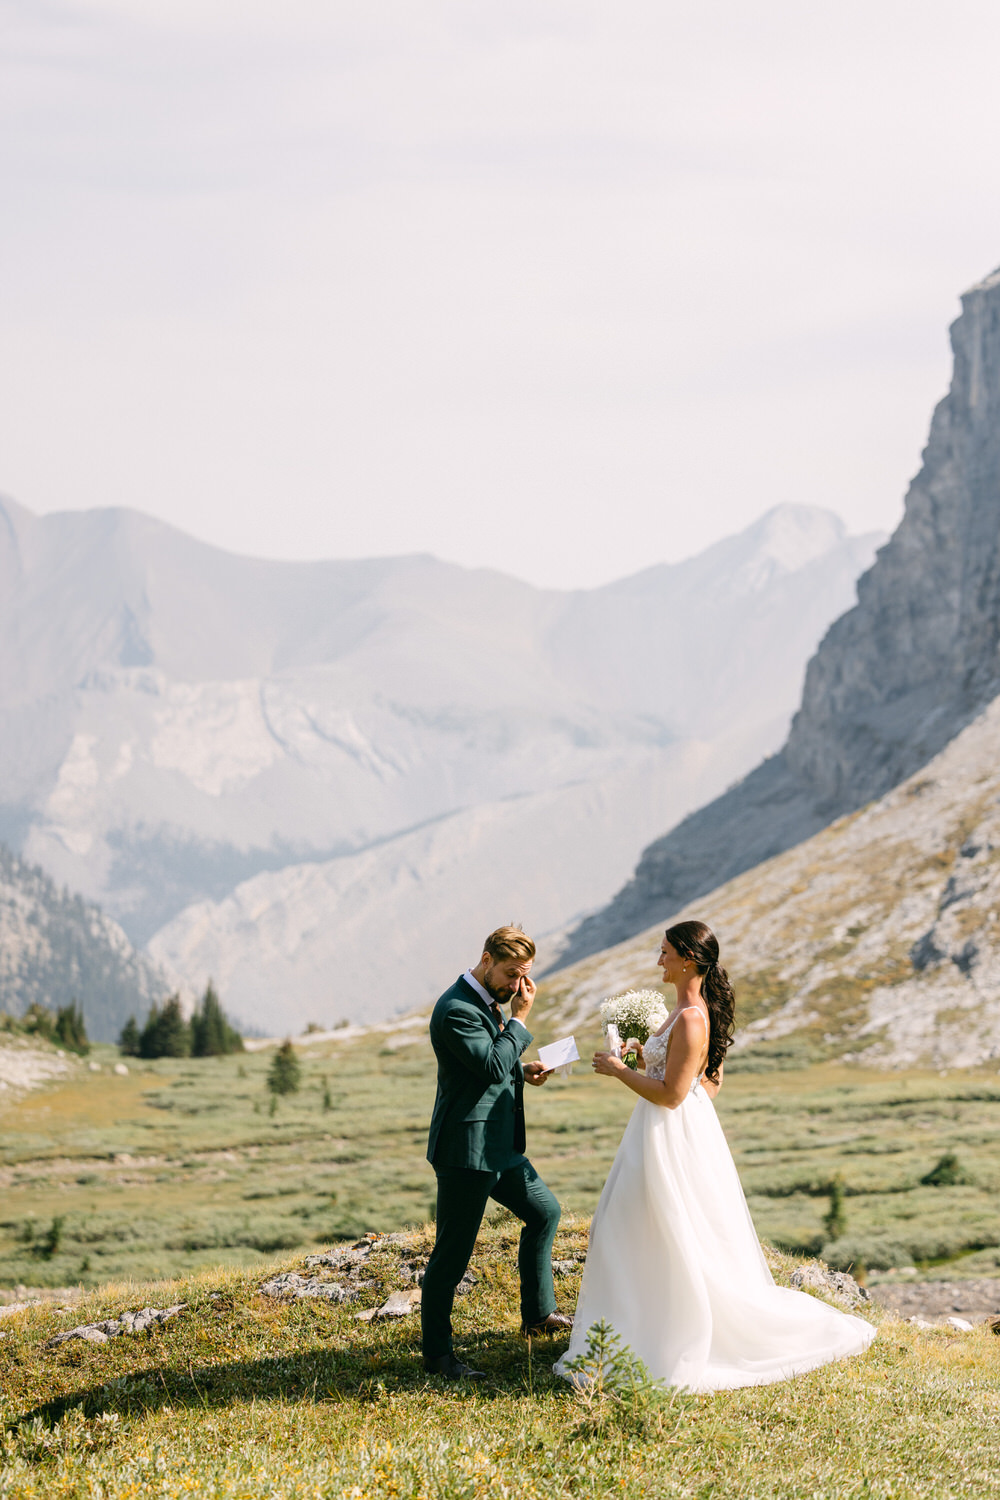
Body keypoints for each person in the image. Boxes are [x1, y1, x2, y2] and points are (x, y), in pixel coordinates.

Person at [555, 919, 876, 1392]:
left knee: (659, 1228)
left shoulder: (691, 1016)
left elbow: (670, 1095)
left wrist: (619, 1071)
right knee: (633, 1226)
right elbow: (688, 1079)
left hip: (668, 1130)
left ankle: (664, 1334)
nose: (658, 959)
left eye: (664, 952)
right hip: (659, 1132)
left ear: (687, 959)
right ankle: (637, 1325)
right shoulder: (681, 1011)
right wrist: (644, 1056)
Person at [421, 925, 572, 1380]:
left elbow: (490, 1062)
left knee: (544, 1212)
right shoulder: (455, 1009)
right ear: (486, 960)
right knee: (451, 1255)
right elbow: (487, 1065)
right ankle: (438, 1357)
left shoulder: (487, 1003)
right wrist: (521, 1022)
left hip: (500, 1146)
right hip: (467, 1152)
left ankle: (538, 1313)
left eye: (523, 978)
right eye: (510, 975)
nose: (516, 987)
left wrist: (521, 1071)